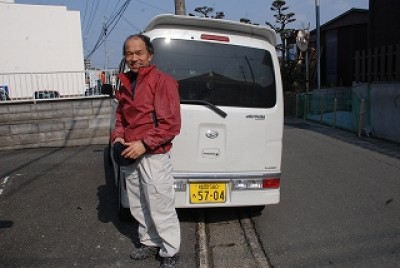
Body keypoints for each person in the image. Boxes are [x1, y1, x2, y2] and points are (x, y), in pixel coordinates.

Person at [112, 34, 181, 268]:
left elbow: (170, 124)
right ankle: (149, 242)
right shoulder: (124, 83)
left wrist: (144, 144)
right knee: (138, 202)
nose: (134, 58)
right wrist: (118, 138)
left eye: (139, 53)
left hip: (153, 153)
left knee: (160, 203)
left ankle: (170, 251)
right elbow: (121, 116)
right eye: (129, 53)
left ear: (150, 54)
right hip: (129, 152)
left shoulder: (163, 82)